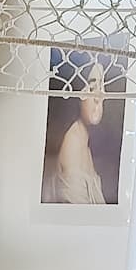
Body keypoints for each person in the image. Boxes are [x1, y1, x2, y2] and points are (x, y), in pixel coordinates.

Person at [55, 60, 108, 204]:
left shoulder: (84, 141)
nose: (98, 98)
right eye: (91, 88)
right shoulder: (72, 144)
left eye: (101, 88)